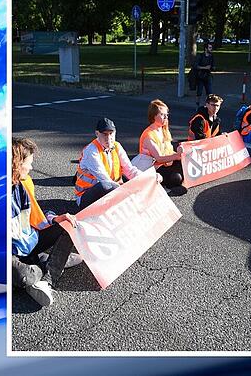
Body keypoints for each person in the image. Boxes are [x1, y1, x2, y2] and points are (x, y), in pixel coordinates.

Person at [11, 137, 77, 307]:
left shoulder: (22, 184)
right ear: (16, 164)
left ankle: (47, 275)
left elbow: (35, 214)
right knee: (24, 276)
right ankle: (50, 262)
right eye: (29, 163)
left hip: (27, 240)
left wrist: (55, 219)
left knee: (68, 224)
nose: (31, 168)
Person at [73, 118, 150, 210]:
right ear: (97, 134)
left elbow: (130, 170)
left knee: (135, 183)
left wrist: (148, 178)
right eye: (104, 134)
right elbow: (105, 180)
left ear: (115, 132)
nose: (108, 138)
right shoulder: (92, 151)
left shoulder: (117, 146)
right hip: (85, 197)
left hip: (112, 191)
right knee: (105, 185)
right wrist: (126, 192)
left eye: (111, 133)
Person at [139, 99, 186, 192]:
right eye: (162, 115)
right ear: (154, 116)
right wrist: (177, 156)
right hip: (154, 168)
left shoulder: (164, 129)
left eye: (167, 115)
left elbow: (169, 151)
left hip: (167, 164)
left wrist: (181, 153)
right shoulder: (149, 135)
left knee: (186, 166)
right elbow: (159, 158)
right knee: (177, 178)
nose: (166, 117)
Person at [194, 41, 215, 106]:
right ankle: (197, 104)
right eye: (209, 48)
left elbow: (213, 65)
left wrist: (212, 67)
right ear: (206, 49)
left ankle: (208, 105)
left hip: (208, 75)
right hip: (200, 76)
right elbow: (196, 66)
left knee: (209, 92)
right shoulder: (200, 56)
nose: (211, 49)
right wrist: (204, 67)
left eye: (211, 48)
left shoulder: (211, 56)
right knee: (199, 91)